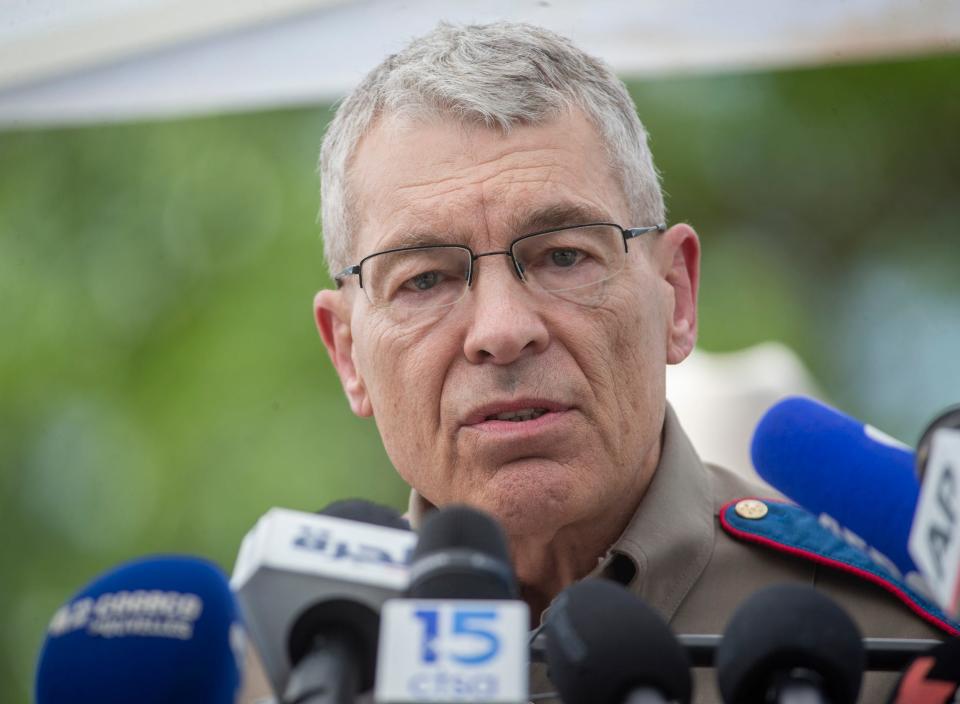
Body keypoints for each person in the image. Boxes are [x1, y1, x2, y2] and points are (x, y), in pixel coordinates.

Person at [294, 22, 950, 703]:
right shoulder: (284, 664)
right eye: (425, 279)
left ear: (678, 297)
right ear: (347, 352)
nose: (502, 331)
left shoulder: (880, 640)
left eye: (564, 256)